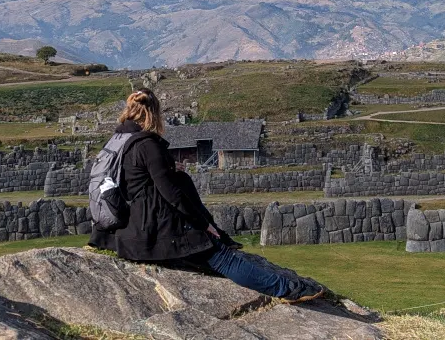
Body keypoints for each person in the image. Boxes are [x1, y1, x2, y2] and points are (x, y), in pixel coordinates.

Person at [88, 88, 324, 303]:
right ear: (153, 114)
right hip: (153, 231)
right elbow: (171, 194)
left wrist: (169, 169)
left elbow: (139, 177)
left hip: (131, 230)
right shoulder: (147, 144)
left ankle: (221, 243)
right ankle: (286, 289)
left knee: (187, 195)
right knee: (222, 258)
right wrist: (203, 226)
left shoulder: (120, 140)